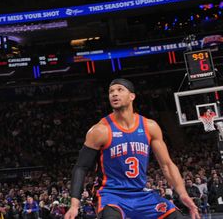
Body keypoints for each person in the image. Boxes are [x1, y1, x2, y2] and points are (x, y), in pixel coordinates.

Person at [64, 78, 201, 219]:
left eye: (119, 90)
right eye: (111, 91)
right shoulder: (100, 130)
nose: (114, 94)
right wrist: (74, 205)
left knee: (177, 217)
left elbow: (166, 165)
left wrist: (183, 194)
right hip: (110, 195)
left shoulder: (150, 126)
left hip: (141, 193)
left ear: (132, 96)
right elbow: (80, 167)